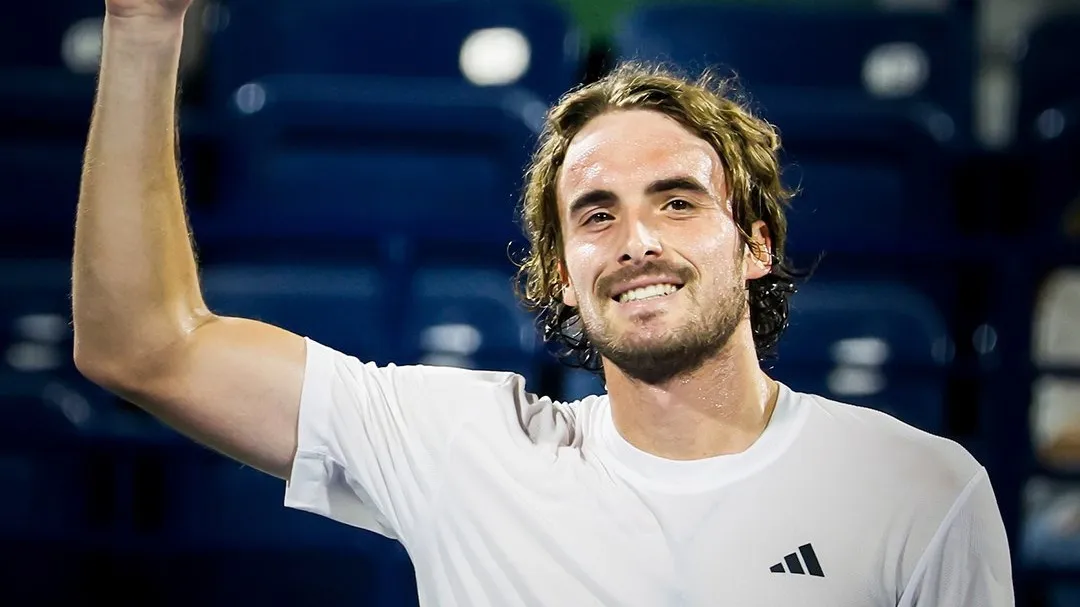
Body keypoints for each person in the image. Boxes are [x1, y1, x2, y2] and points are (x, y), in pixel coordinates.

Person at [72, 1, 1015, 605]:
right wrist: (144, 27)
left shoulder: (921, 492)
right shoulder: (463, 448)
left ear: (756, 243)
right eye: (596, 214)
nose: (637, 239)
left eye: (678, 201)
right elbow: (143, 346)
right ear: (562, 274)